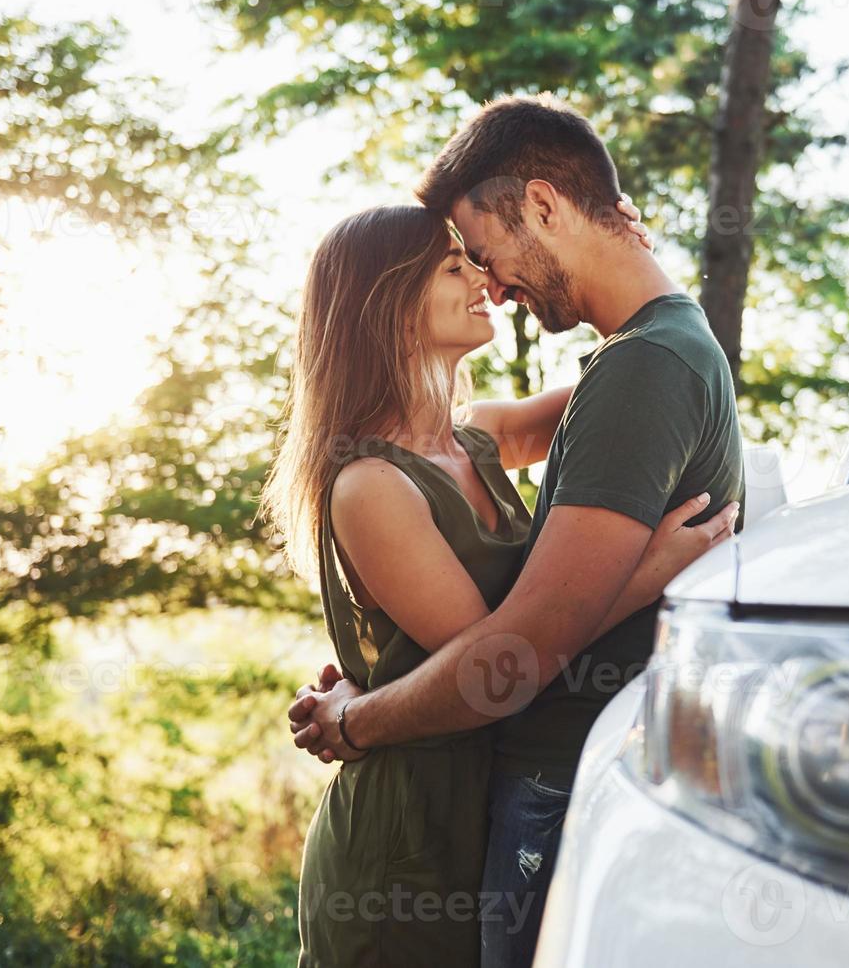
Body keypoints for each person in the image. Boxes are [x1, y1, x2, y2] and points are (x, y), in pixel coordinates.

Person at [288, 94, 746, 968]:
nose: (486, 281)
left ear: (543, 205)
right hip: (409, 833)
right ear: (386, 305)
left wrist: (612, 234)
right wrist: (652, 569)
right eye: (456, 265)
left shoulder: (481, 433)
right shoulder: (371, 484)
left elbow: (645, 377)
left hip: (480, 806)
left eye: (480, 255)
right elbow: (506, 662)